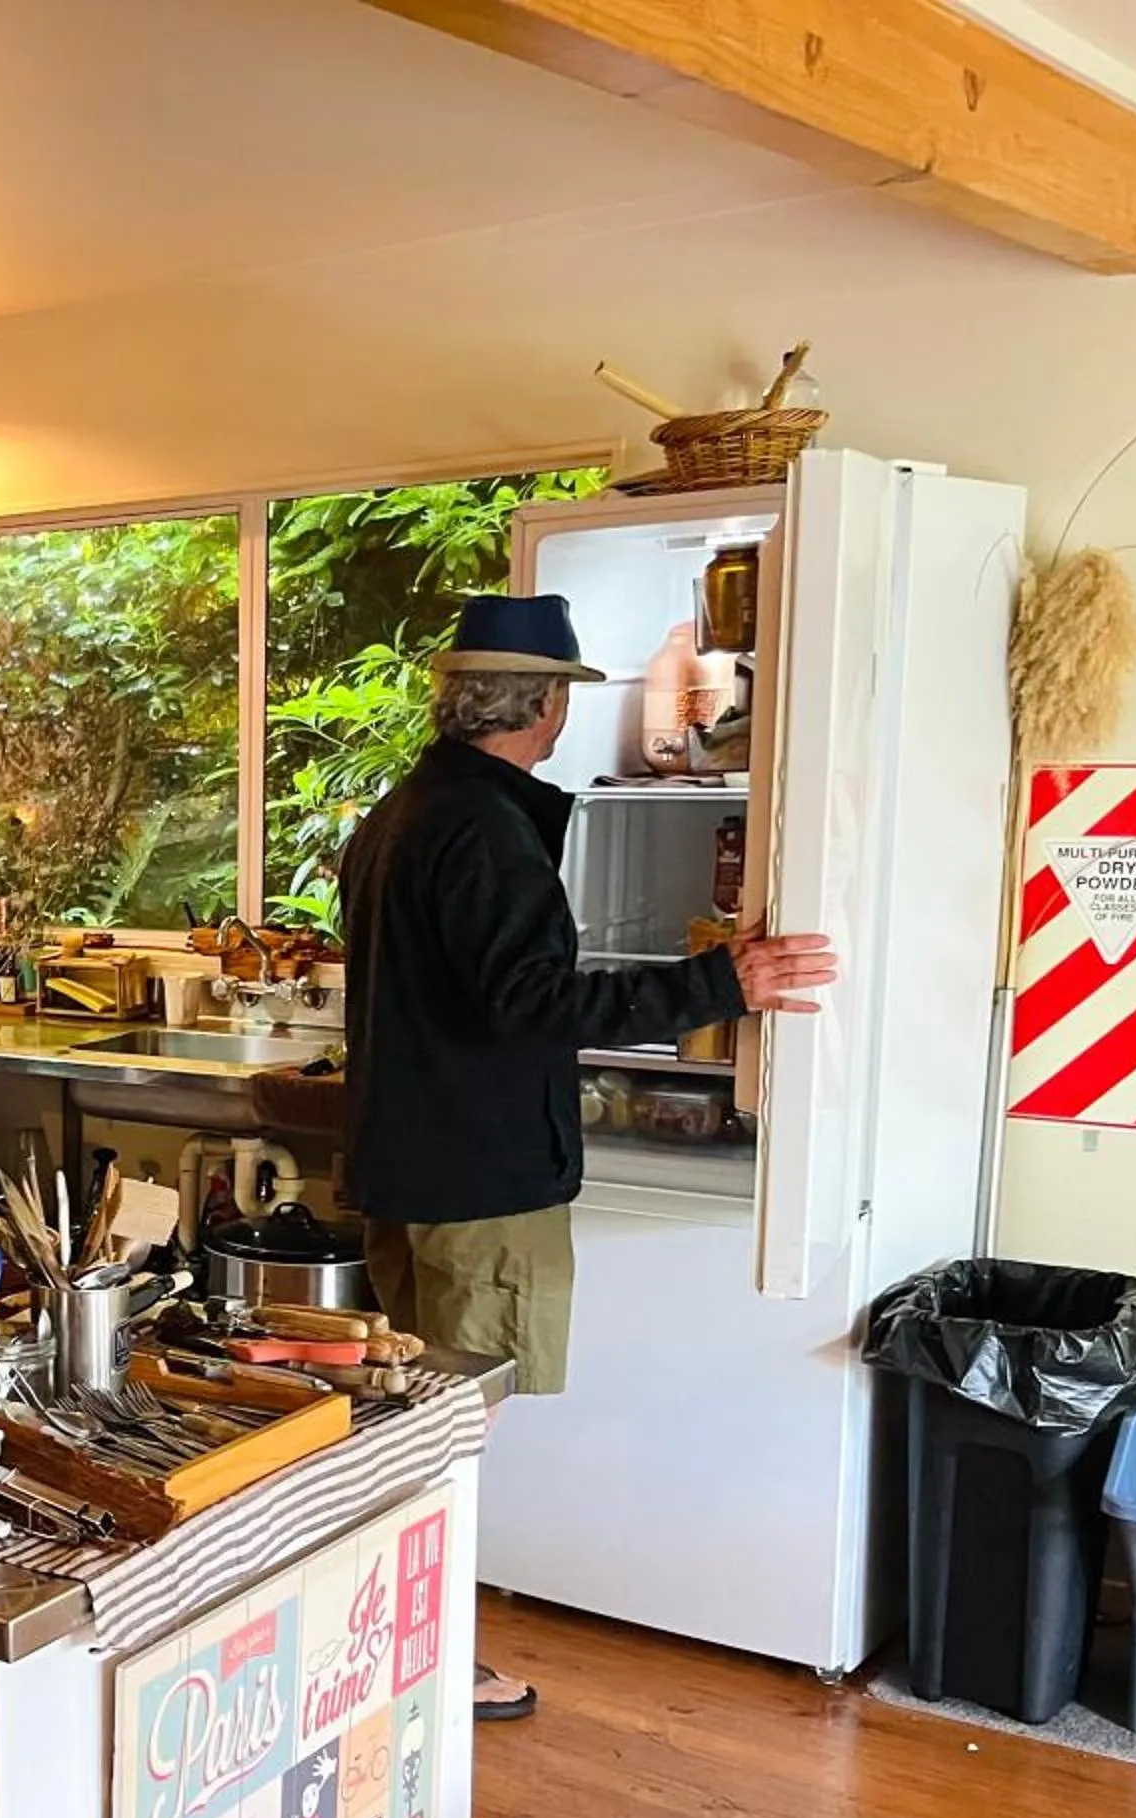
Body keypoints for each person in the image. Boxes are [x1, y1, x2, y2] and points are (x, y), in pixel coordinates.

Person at [340, 594, 837, 1721]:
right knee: (453, 1429)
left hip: (408, 1166)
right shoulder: (483, 828)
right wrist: (724, 983)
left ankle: (379, 1645)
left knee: (408, 1419)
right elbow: (532, 1004)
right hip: (478, 1182)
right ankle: (422, 1660)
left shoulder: (406, 811)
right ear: (549, 705)